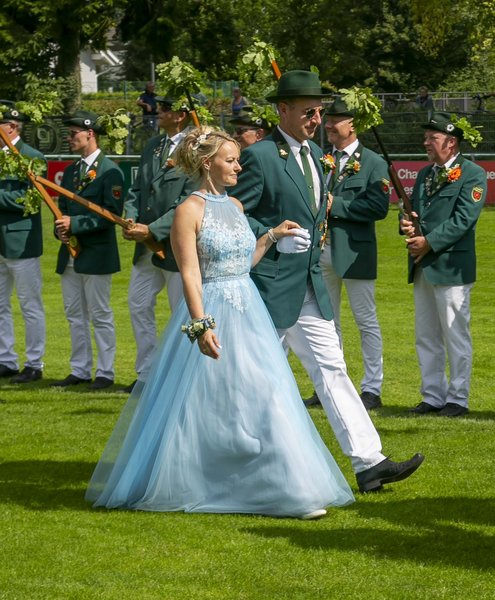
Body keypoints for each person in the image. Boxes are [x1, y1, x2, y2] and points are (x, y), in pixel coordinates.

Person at [85, 127, 354, 518]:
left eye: (237, 161)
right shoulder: (188, 211)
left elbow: (243, 263)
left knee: (267, 394)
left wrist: (272, 236)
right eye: (231, 161)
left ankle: (286, 485)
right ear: (207, 163)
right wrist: (200, 324)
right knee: (206, 401)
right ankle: (205, 478)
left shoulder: (236, 206)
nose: (238, 168)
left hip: (249, 311)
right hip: (212, 309)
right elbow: (190, 273)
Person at [232, 70, 424, 493]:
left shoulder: (318, 154)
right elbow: (233, 215)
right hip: (268, 287)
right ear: (282, 110)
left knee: (332, 368)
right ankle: (232, 460)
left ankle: (370, 462)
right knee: (253, 379)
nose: (317, 119)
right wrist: (271, 236)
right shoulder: (260, 156)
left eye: (319, 112)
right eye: (308, 112)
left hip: (308, 284)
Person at [304, 98, 389, 411]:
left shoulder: (373, 162)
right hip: (321, 251)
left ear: (353, 124)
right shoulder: (321, 158)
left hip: (355, 253)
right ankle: (329, 387)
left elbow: (378, 207)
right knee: (327, 323)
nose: (327, 125)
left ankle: (372, 389)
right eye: (328, 120)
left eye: (335, 120)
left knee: (366, 321)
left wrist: (334, 205)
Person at [401, 112, 487, 417]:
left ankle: (457, 399)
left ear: (451, 142)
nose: (426, 142)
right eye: (425, 137)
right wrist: (406, 225)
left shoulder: (473, 174)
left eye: (432, 138)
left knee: (455, 335)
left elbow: (464, 219)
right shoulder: (425, 174)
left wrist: (429, 241)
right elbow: (414, 213)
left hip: (452, 266)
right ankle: (433, 395)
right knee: (426, 335)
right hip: (423, 264)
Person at [122, 96, 195, 393]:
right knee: (138, 304)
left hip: (176, 246)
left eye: (165, 108)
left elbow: (189, 200)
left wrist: (152, 229)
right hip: (145, 246)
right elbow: (137, 188)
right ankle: (147, 372)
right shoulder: (153, 146)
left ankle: (182, 374)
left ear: (180, 115)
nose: (158, 112)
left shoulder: (196, 147)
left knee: (183, 313)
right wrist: (130, 217)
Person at [52, 110, 124, 390]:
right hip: (70, 253)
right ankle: (80, 369)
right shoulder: (71, 171)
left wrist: (75, 224)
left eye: (73, 134)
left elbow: (111, 215)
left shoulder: (110, 170)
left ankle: (105, 372)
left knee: (100, 314)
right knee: (74, 314)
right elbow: (61, 209)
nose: (69, 139)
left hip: (96, 254)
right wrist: (60, 229)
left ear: (90, 133)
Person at [0, 102, 46, 383]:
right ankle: (5, 359)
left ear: (11, 126)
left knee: (30, 305)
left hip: (21, 241)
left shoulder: (32, 157)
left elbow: (30, 200)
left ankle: (34, 363)